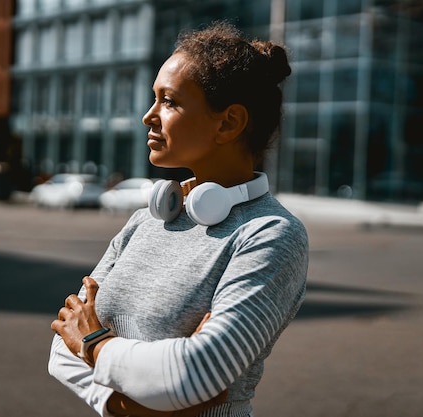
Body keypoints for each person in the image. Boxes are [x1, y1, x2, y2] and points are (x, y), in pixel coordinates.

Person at [49, 21, 309, 417]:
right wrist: (136, 407)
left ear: (228, 123)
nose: (148, 116)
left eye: (169, 101)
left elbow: (199, 373)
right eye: (154, 99)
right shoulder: (145, 221)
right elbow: (60, 348)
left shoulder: (272, 234)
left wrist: (95, 344)